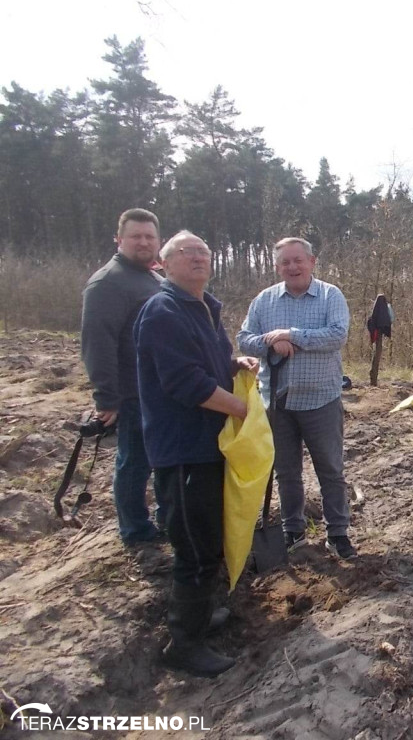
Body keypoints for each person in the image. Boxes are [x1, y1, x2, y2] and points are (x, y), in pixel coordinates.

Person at [134, 231, 258, 677]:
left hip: (211, 445)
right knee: (195, 547)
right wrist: (242, 409)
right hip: (182, 450)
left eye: (204, 252)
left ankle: (202, 614)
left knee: (208, 537)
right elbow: (184, 383)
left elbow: (209, 364)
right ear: (164, 264)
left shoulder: (206, 308)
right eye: (187, 253)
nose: (198, 259)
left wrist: (234, 365)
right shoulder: (163, 311)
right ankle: (183, 644)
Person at [238, 238, 357, 560]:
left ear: (311, 261)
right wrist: (270, 342)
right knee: (286, 471)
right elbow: (244, 341)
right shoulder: (264, 301)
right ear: (277, 267)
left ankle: (337, 533)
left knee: (330, 470)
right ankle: (293, 529)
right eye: (285, 263)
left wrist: (292, 335)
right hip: (277, 403)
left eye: (297, 261)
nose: (292, 267)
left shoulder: (330, 295)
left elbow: (337, 335)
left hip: (321, 400)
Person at [81, 207, 167, 546]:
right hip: (132, 394)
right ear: (119, 239)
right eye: (136, 236)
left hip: (162, 390)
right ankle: (135, 529)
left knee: (162, 459)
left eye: (149, 236)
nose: (143, 242)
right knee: (134, 463)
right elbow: (96, 342)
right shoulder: (108, 282)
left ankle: (164, 517)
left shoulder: (155, 279)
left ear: (159, 241)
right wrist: (107, 397)